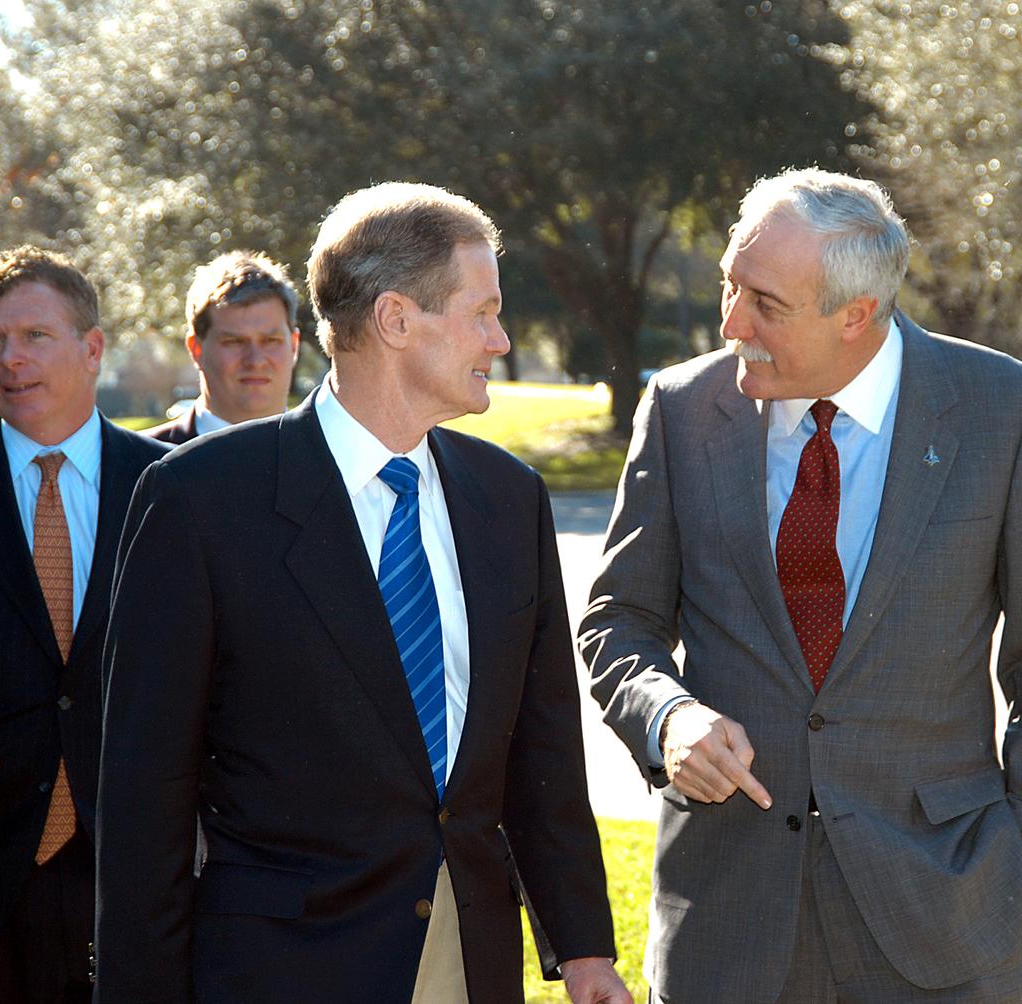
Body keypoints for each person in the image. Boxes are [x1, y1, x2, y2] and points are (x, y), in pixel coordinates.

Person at [577, 168, 1022, 1003]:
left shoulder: (1004, 410)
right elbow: (620, 619)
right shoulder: (681, 410)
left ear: (856, 315)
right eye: (729, 285)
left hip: (947, 916)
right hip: (728, 922)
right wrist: (668, 715)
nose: (730, 323)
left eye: (765, 304)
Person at [96, 182, 630, 1003]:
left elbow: (542, 747)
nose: (502, 336)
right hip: (280, 971)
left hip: (468, 957)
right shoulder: (201, 500)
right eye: (482, 312)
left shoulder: (507, 497)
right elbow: (145, 792)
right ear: (395, 320)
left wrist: (586, 947)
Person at [0, 246, 168, 1003]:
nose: (10, 360)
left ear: (93, 348)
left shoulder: (173, 487)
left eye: (34, 337)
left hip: (135, 866)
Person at [145, 250, 301, 444]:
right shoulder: (140, 464)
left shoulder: (337, 457)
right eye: (234, 342)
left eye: (271, 341)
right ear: (195, 349)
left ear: (294, 345)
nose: (256, 361)